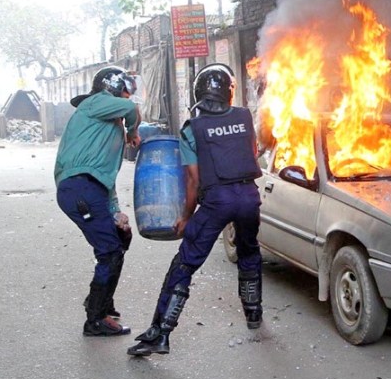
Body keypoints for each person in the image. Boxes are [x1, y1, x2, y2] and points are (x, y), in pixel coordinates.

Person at [128, 63, 263, 357]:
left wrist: (186, 217)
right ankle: (253, 314)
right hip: (249, 197)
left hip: (217, 200)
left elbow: (193, 179)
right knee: (249, 252)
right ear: (229, 92)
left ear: (198, 93)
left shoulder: (193, 129)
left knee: (185, 264)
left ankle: (160, 333)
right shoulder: (244, 117)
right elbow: (250, 154)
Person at [54, 66, 141, 337]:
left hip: (90, 188)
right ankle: (95, 318)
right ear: (112, 88)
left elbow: (105, 177)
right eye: (123, 93)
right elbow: (132, 111)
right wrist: (132, 131)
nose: (125, 99)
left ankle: (101, 303)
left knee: (120, 237)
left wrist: (115, 212)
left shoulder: (106, 125)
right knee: (110, 251)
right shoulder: (95, 103)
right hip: (80, 188)